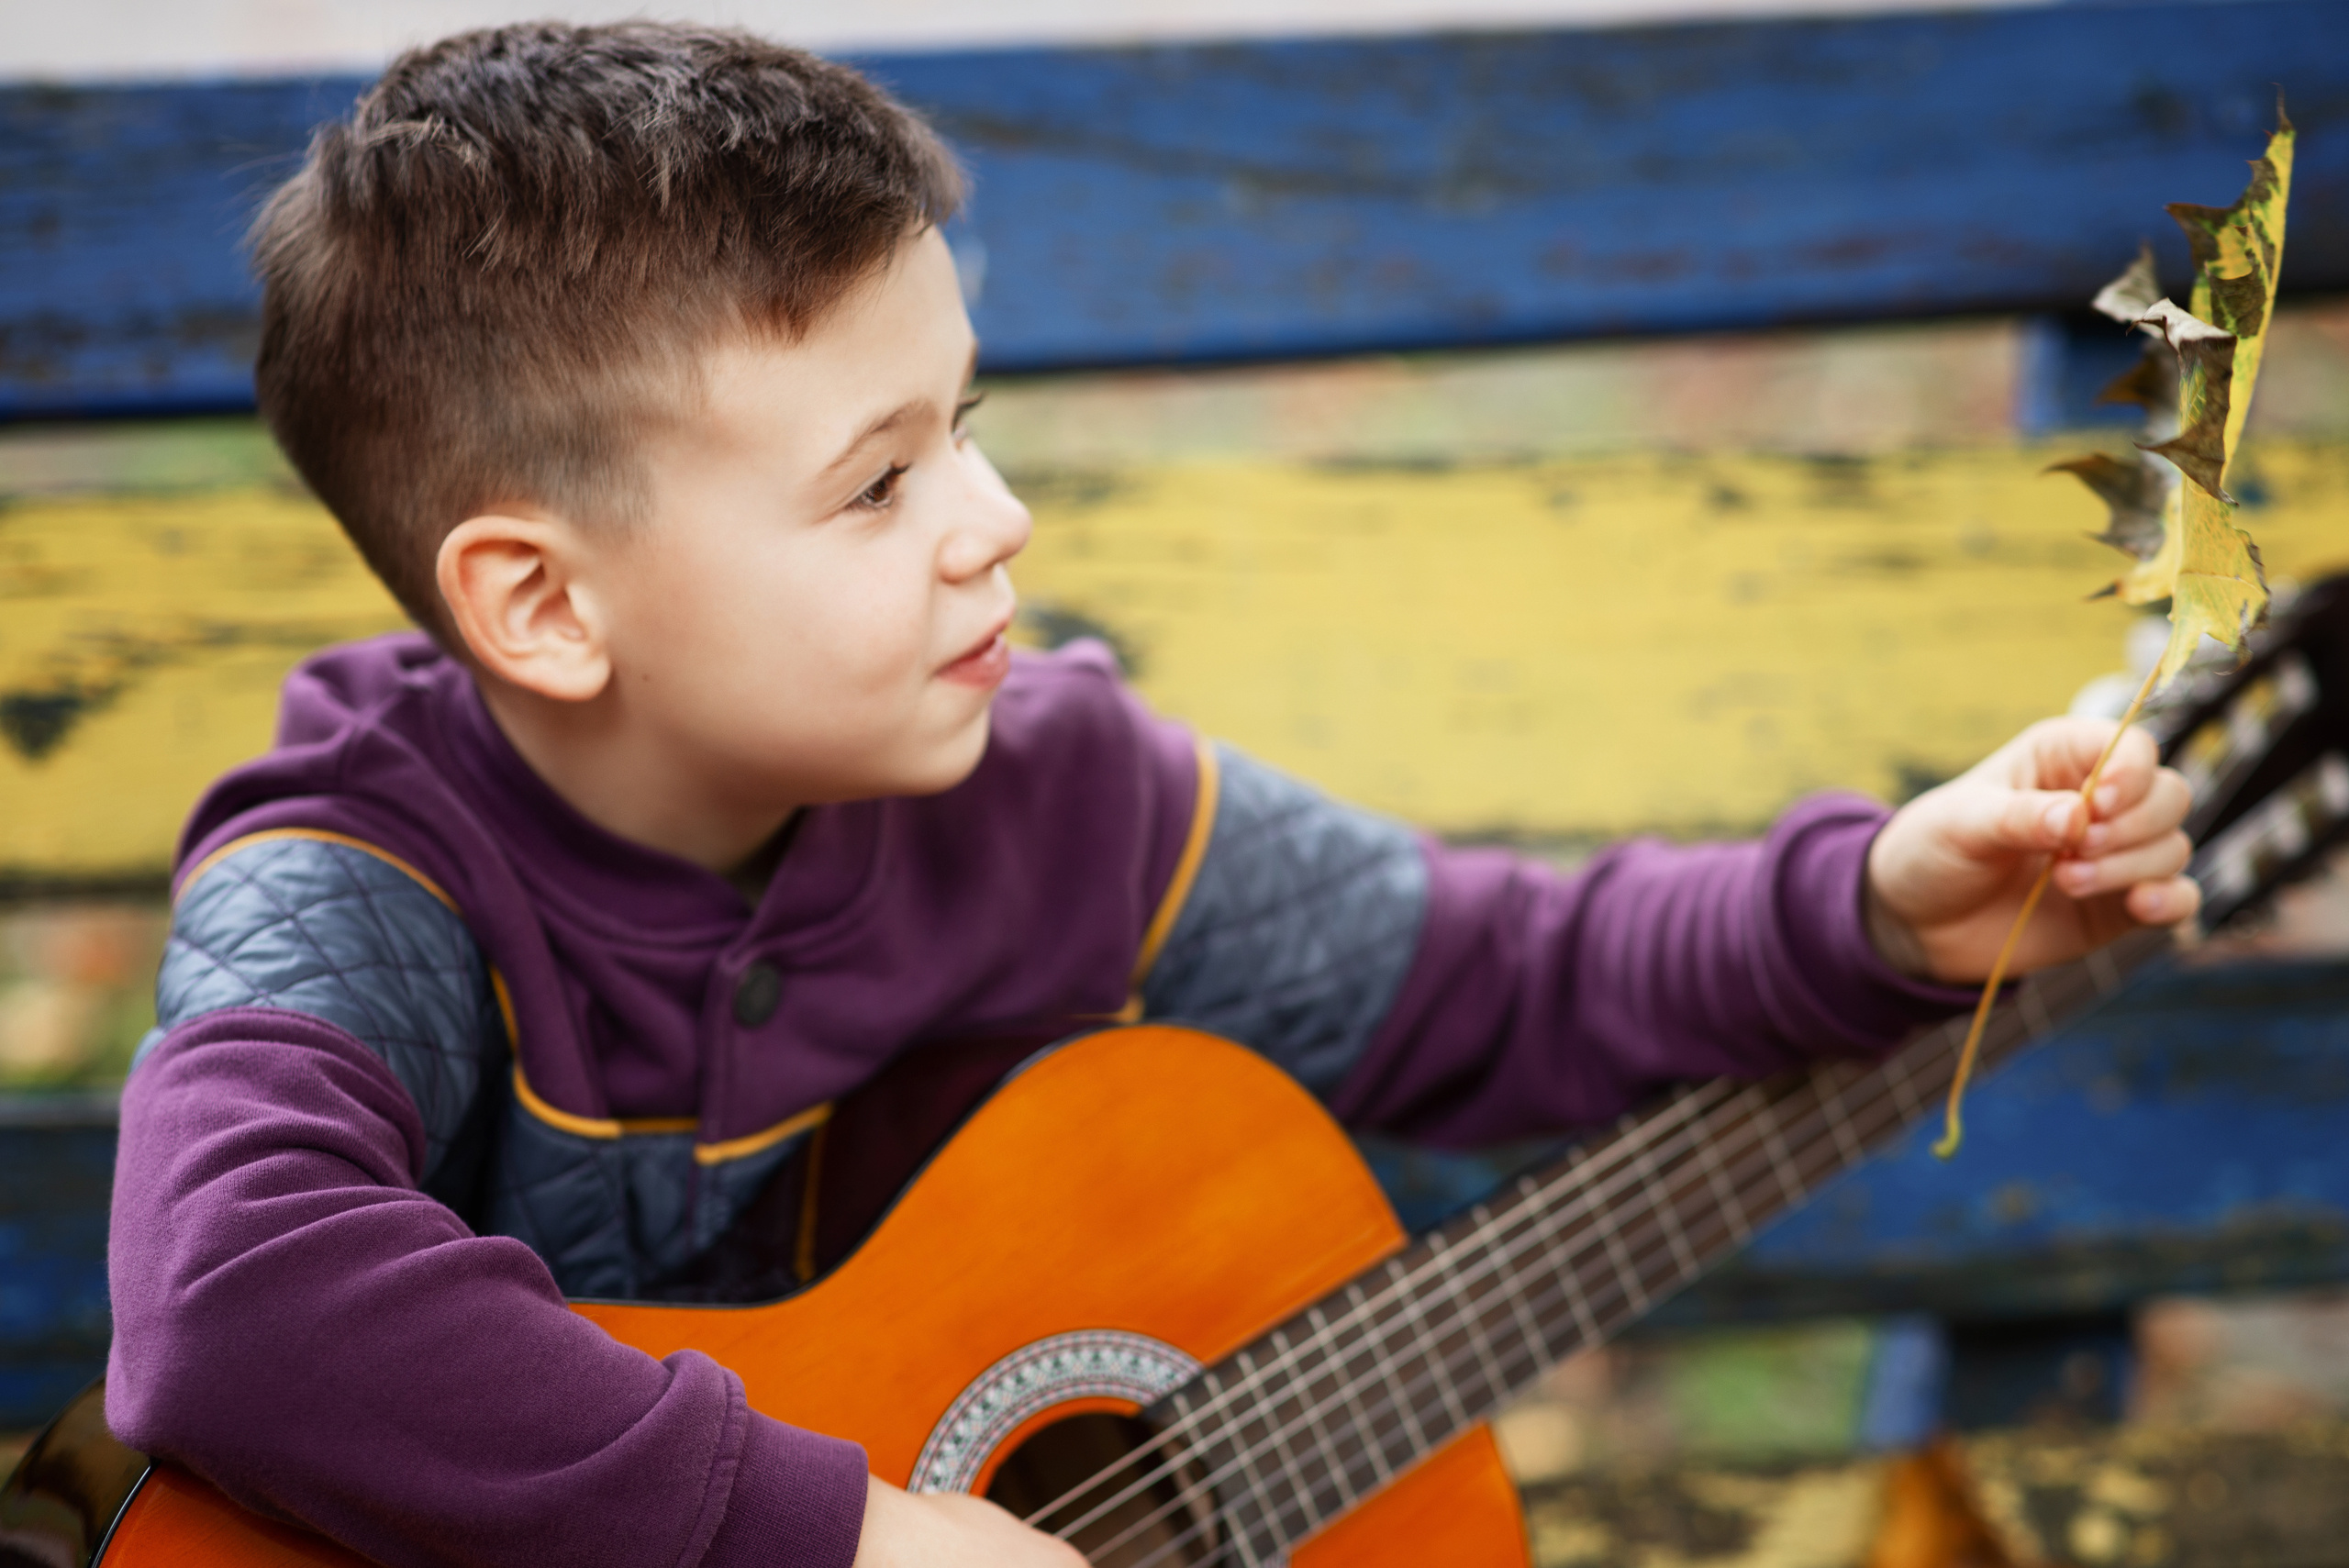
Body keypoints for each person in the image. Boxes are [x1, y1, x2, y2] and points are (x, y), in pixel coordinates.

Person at [103, 22, 2198, 1568]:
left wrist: (1870, 914)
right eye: (877, 481)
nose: (997, 521)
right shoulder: (355, 884)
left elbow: (1498, 979)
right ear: (543, 605)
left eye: (970, 425)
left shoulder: (1050, 784)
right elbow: (239, 1304)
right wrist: (848, 1539)